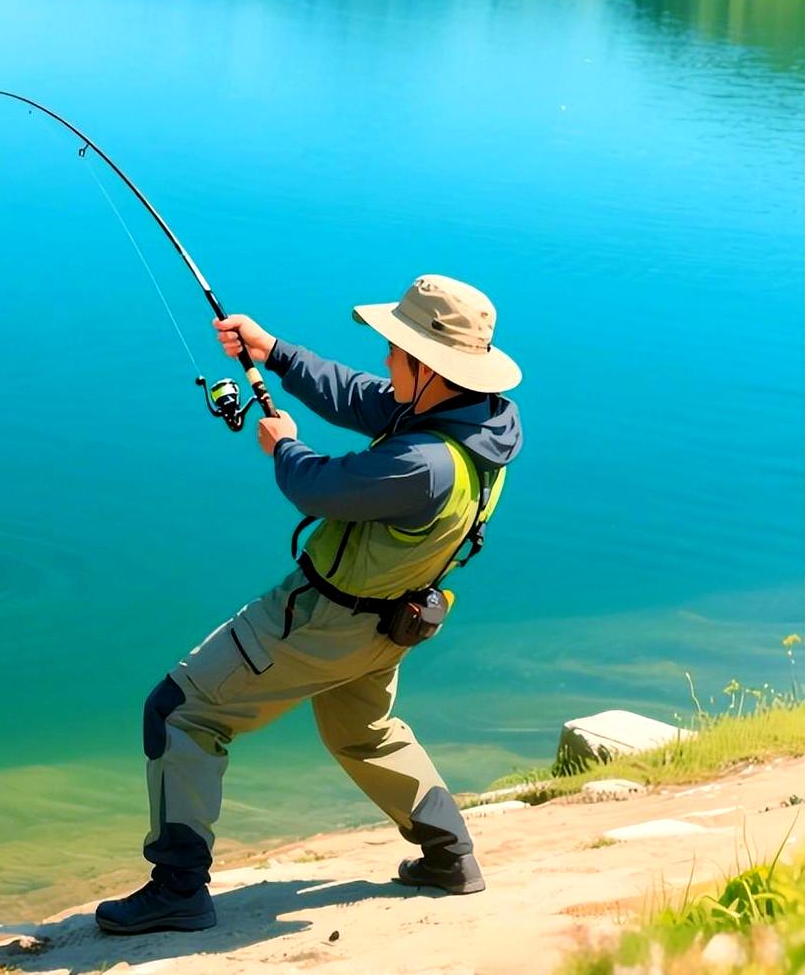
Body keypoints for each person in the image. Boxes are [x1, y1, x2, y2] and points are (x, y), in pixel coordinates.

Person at [95, 274, 523, 935]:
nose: (386, 358)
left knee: (180, 711)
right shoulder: (478, 420)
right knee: (364, 733)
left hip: (322, 621)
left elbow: (321, 487)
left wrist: (283, 445)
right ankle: (450, 856)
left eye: (396, 348)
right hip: (390, 622)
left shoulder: (425, 464)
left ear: (430, 367)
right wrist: (275, 352)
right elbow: (362, 398)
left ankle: (178, 888)